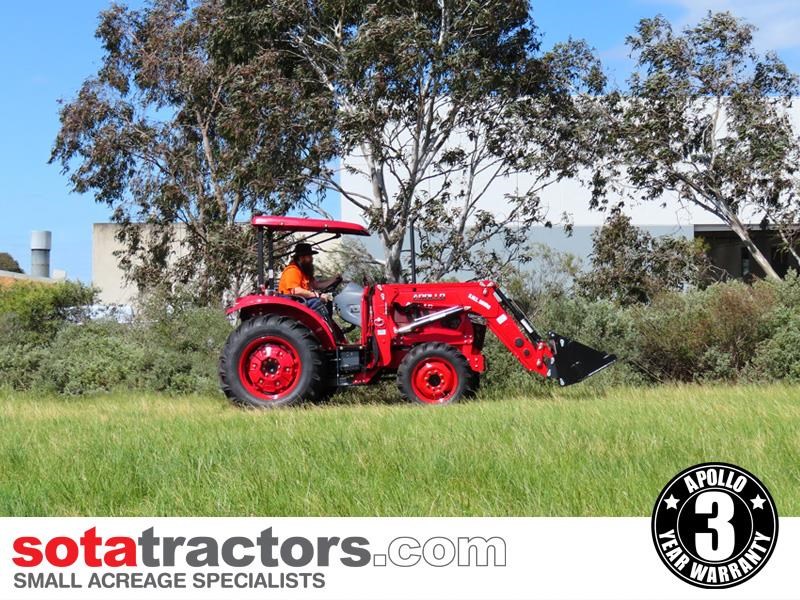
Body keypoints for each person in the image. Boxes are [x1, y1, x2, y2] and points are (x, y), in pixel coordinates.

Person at [278, 243, 342, 318]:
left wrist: (334, 279)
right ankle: (322, 326)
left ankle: (330, 325)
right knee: (317, 302)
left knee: (327, 301)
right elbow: (296, 291)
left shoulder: (304, 271)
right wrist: (317, 295)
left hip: (300, 300)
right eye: (309, 256)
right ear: (301, 258)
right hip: (291, 301)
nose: (312, 259)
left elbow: (316, 285)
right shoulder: (293, 270)